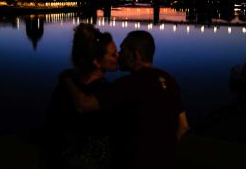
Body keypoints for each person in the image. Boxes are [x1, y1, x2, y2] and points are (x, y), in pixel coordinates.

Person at [67, 30, 189, 169]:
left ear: (136, 55)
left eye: (123, 50)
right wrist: (164, 150)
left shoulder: (130, 84)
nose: (119, 55)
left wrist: (67, 79)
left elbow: (84, 104)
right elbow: (184, 126)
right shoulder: (169, 80)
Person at [44, 23, 119, 169]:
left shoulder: (66, 86)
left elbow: (52, 121)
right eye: (113, 54)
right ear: (97, 62)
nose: (118, 57)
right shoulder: (106, 92)